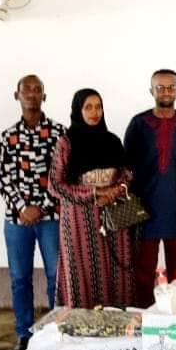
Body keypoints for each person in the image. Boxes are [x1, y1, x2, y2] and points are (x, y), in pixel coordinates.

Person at [0, 75, 66, 350]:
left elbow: (62, 177)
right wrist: (23, 208)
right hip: (17, 220)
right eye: (27, 90)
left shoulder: (60, 134)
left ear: (44, 97)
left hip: (51, 218)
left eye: (38, 91)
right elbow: (1, 176)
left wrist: (43, 207)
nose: (32, 95)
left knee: (54, 277)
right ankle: (24, 333)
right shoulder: (8, 136)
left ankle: (54, 330)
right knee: (19, 277)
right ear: (17, 95)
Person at [124, 69, 176, 307]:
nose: (166, 91)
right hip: (144, 210)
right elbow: (126, 163)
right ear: (152, 91)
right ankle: (142, 320)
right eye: (160, 87)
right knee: (142, 273)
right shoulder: (139, 123)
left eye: (171, 87)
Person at [49, 89, 136, 308]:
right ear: (78, 110)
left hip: (114, 218)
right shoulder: (66, 143)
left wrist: (115, 191)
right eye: (88, 107)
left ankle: (117, 329)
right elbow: (55, 185)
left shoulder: (112, 141)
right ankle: (82, 332)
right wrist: (95, 193)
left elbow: (127, 174)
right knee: (82, 271)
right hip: (80, 222)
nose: (94, 112)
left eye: (98, 106)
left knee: (116, 273)